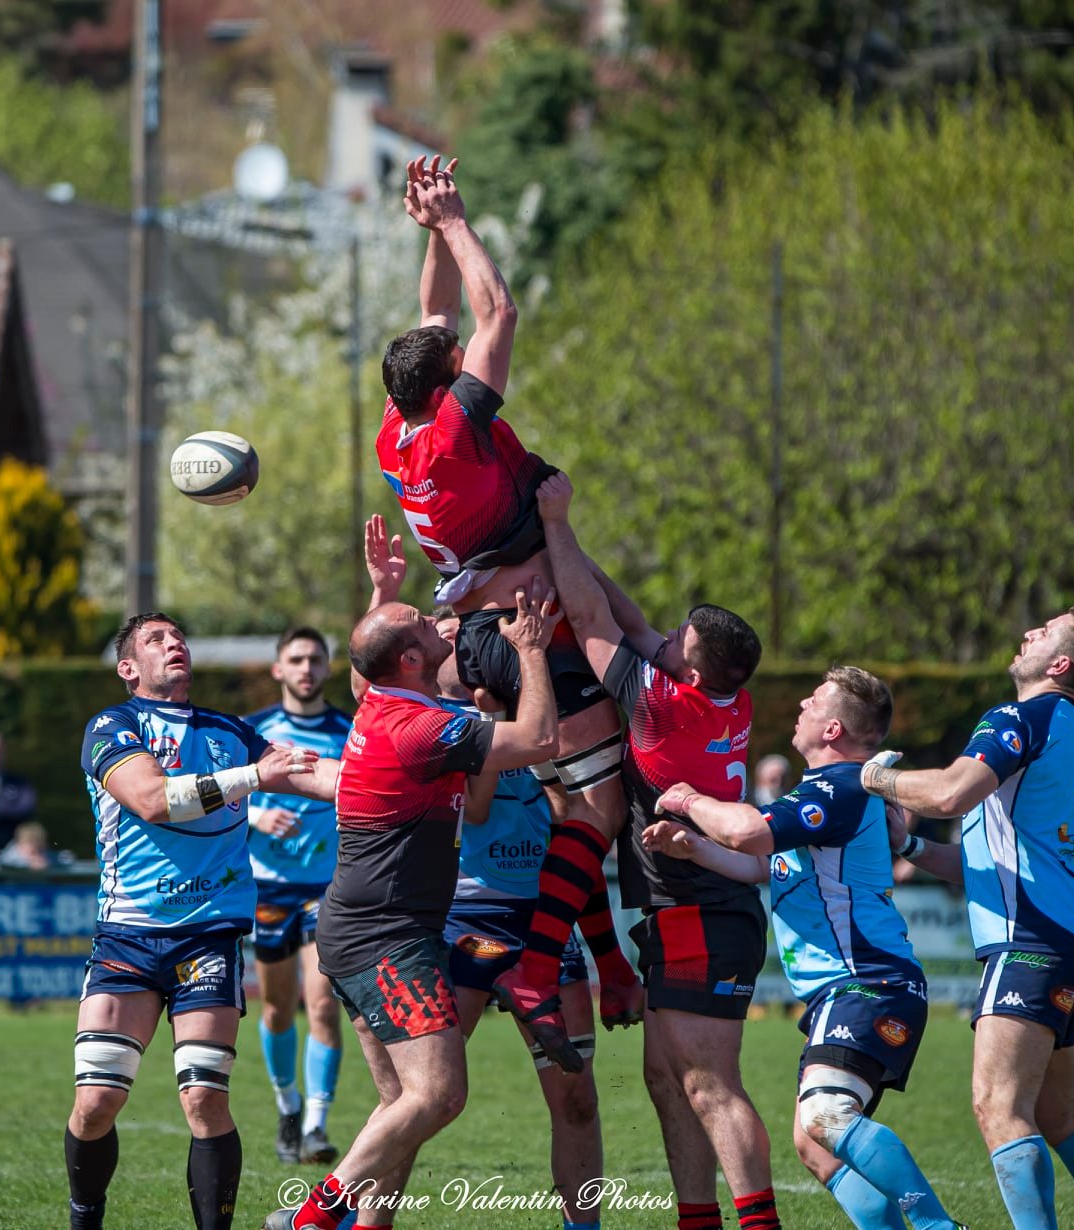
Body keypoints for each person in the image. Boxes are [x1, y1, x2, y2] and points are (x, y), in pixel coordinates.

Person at [377, 157, 641, 1065]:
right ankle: (539, 960)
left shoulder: (400, 425)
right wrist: (453, 219)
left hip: (492, 630)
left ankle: (587, 961)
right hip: (534, 630)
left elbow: (437, 319)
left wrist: (427, 237)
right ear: (452, 381)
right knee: (598, 814)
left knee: (576, 799)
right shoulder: (454, 431)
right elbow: (499, 316)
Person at [263, 582, 562, 1230]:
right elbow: (539, 737)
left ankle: (355, 1224)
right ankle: (314, 1217)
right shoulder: (426, 728)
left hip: (372, 933)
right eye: (424, 624)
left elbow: (367, 664)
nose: (439, 623)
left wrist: (383, 593)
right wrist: (532, 650)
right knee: (439, 1093)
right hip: (383, 941)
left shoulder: (384, 702)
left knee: (402, 1102)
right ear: (410, 662)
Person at [536, 473, 780, 1230]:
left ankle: (759, 1222)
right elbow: (634, 622)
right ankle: (696, 1219)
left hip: (703, 910)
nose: (667, 642)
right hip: (692, 912)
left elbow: (592, 618)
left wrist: (555, 520)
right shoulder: (725, 695)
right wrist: (565, 541)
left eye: (682, 643)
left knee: (708, 1084)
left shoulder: (664, 706)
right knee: (667, 1079)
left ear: (692, 671)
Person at [645, 666, 963, 1230]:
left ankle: (939, 1226)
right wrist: (693, 849)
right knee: (817, 1146)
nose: (800, 704)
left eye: (813, 700)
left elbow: (746, 832)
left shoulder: (840, 786)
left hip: (868, 983)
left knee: (827, 1117)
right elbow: (761, 864)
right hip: (846, 990)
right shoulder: (824, 791)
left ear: (834, 727)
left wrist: (690, 799)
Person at [365, 516, 606, 1229]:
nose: (468, 639)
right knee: (420, 1099)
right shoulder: (430, 722)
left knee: (578, 1094)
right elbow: (371, 671)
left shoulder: (543, 711)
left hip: (543, 923)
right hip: (466, 921)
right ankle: (367, 1220)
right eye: (449, 633)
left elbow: (576, 807)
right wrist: (382, 593)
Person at [864, 606, 1074, 1230]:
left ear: (1060, 664)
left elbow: (949, 793)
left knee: (997, 1105)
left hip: (1030, 944)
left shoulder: (1019, 718)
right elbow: (985, 862)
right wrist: (909, 847)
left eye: (1044, 631)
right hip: (1068, 938)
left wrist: (875, 777)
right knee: (1058, 1113)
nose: (1029, 632)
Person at [65, 612, 340, 1230]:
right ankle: (85, 1219)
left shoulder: (228, 730)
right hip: (127, 936)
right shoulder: (113, 725)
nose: (175, 644)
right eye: (156, 640)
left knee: (204, 1098)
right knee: (96, 1104)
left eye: (178, 637)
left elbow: (315, 773)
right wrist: (254, 777)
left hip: (208, 936)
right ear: (128, 668)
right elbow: (153, 800)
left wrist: (396, 781)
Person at [245, 627, 353, 1166]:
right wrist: (256, 815)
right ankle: (287, 1106)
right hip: (268, 891)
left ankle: (315, 1125)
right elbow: (213, 796)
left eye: (315, 658)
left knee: (323, 1006)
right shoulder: (252, 731)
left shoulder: (348, 730)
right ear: (278, 669)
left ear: (327, 667)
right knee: (277, 1010)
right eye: (296, 659)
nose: (306, 667)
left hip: (327, 891)